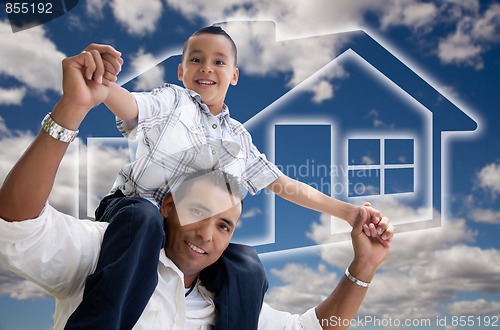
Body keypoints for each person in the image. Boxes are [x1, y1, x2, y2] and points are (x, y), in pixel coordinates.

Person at [0, 46, 395, 325]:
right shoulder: (172, 103)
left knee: (247, 265)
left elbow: (283, 184)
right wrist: (90, 96)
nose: (206, 68)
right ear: (182, 71)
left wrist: (354, 228)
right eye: (195, 59)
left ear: (234, 75)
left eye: (224, 225)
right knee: (143, 219)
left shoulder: (237, 139)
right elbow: (18, 225)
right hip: (130, 215)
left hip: (165, 221)